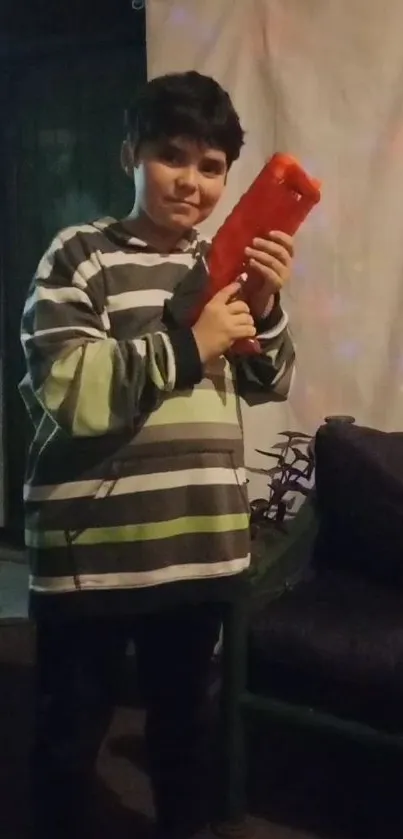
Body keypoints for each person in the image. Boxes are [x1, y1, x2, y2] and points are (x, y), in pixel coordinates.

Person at [20, 70, 296, 838]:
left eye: (211, 166)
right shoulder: (78, 256)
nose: (193, 182)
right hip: (93, 556)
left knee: (185, 737)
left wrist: (263, 311)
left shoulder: (222, 265)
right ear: (128, 156)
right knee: (69, 740)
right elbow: (71, 390)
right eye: (172, 156)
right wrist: (188, 343)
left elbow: (269, 381)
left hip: (198, 553)